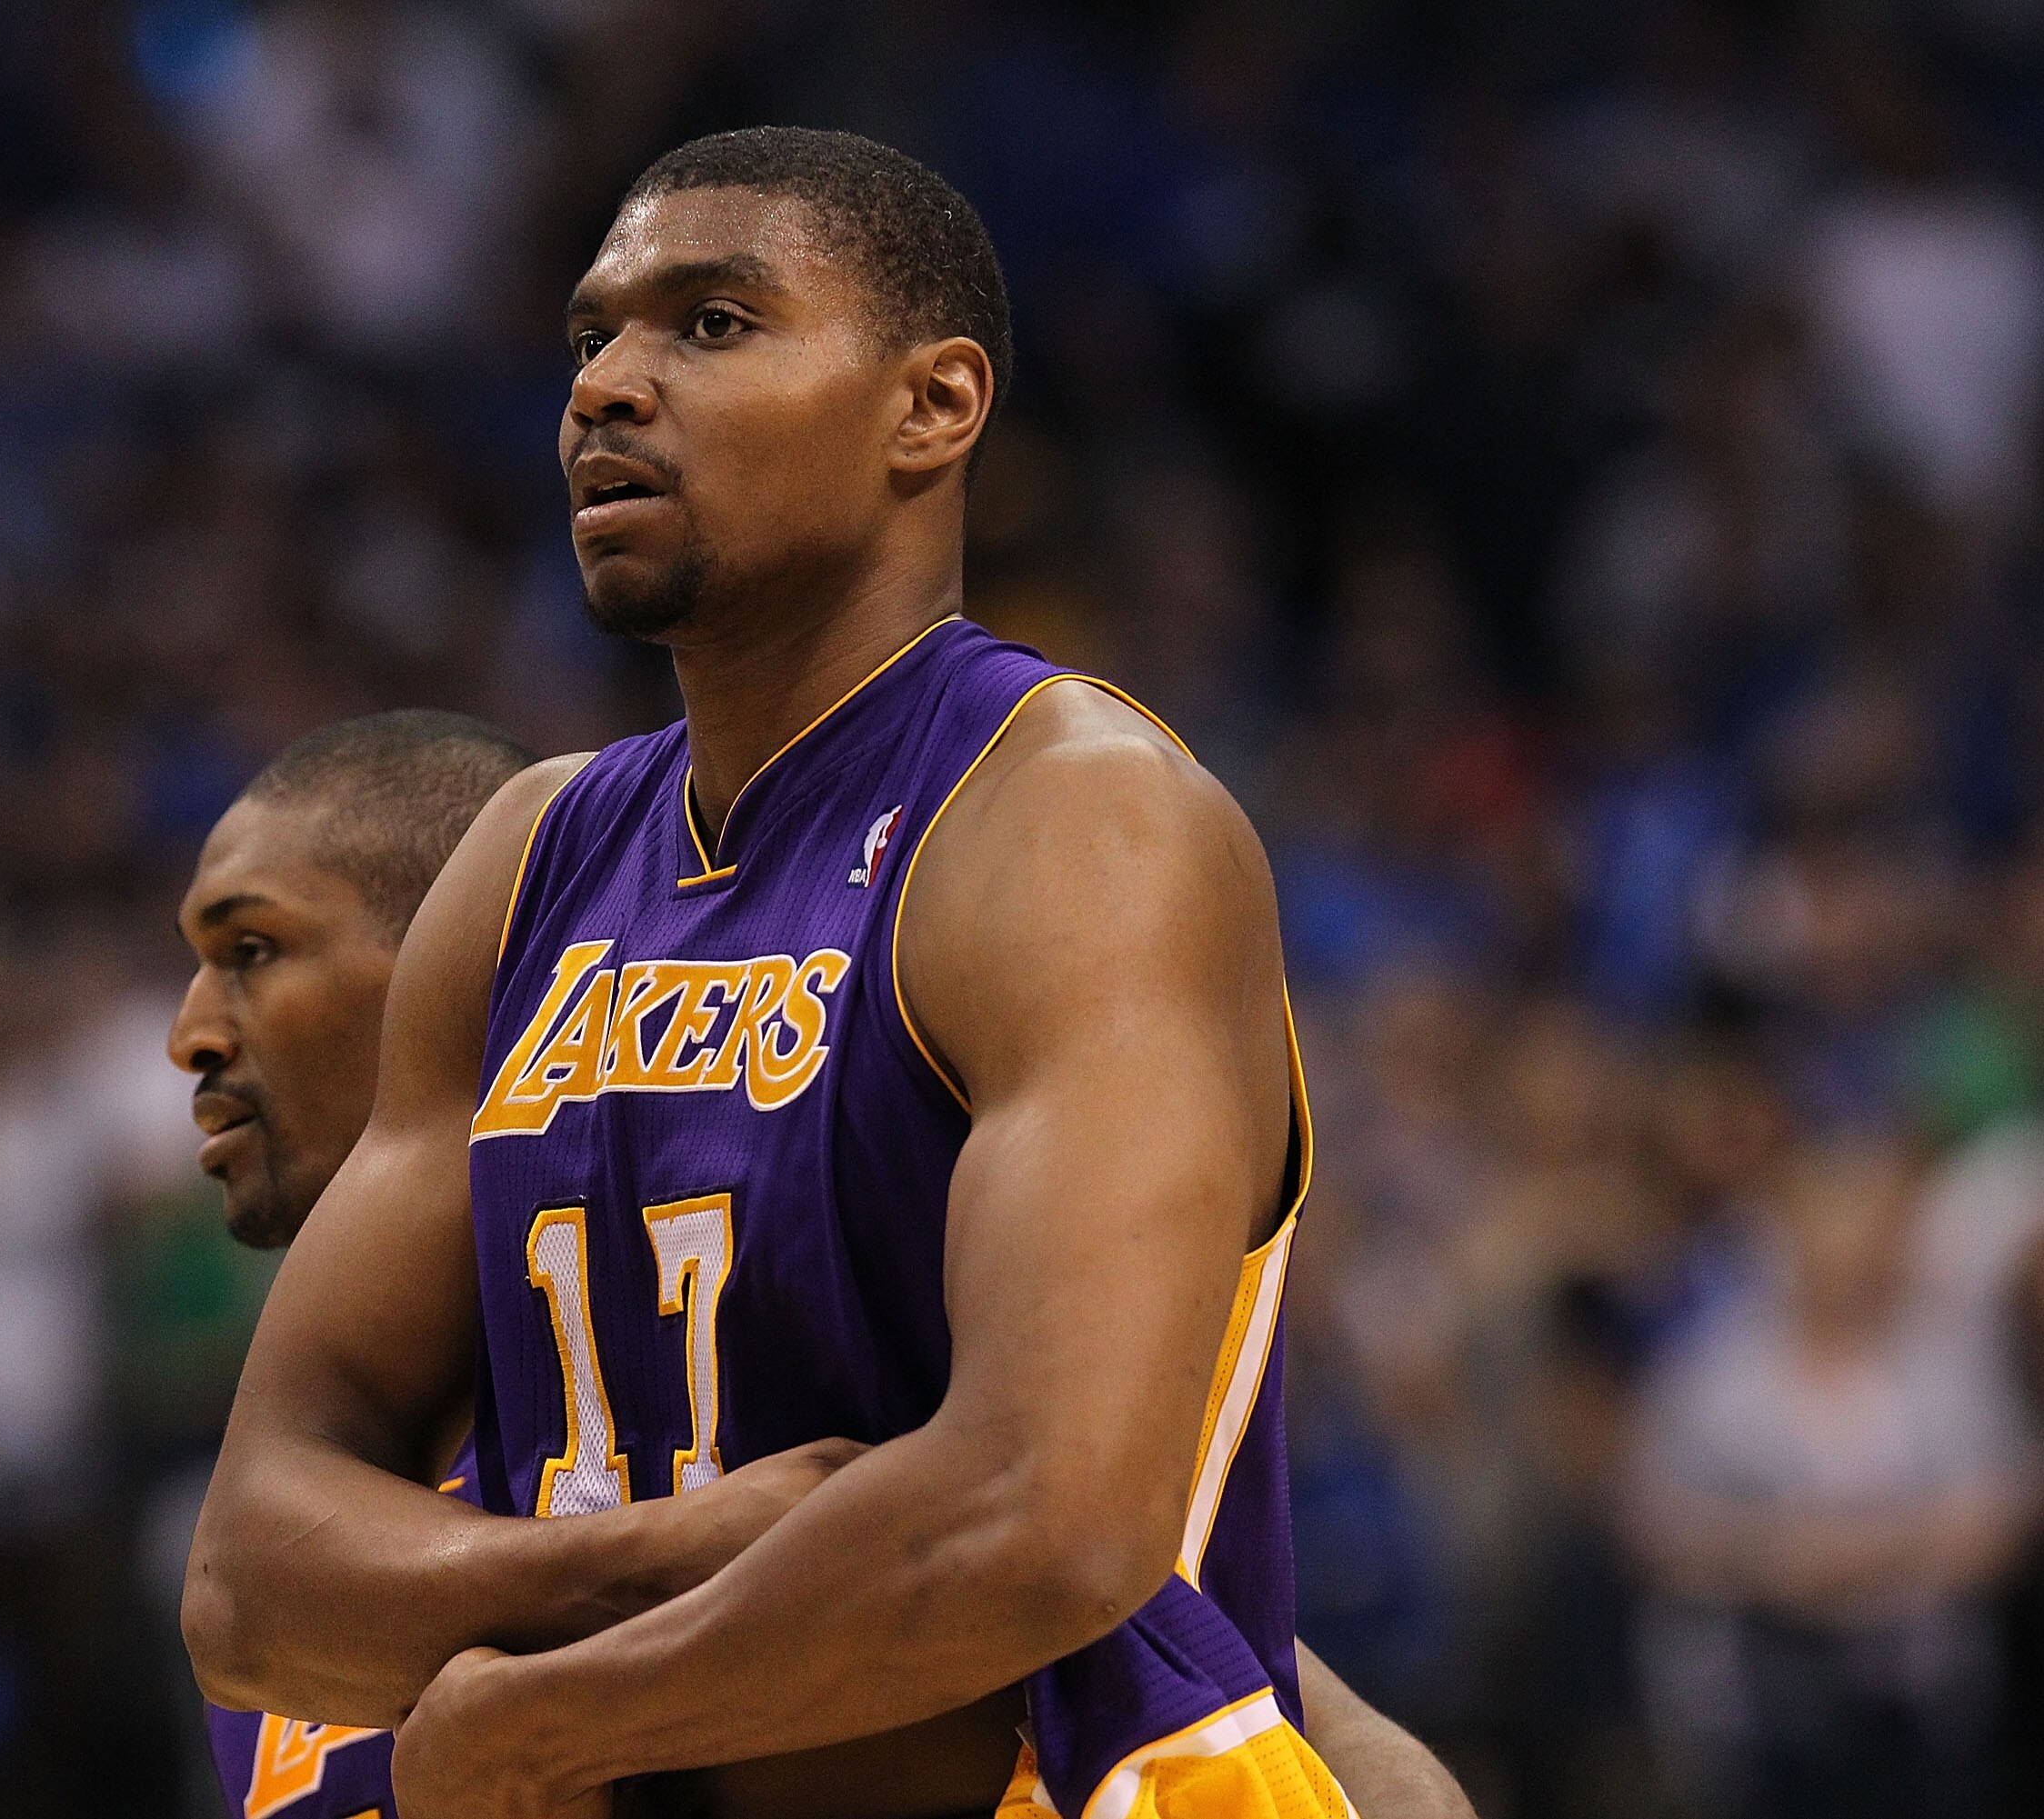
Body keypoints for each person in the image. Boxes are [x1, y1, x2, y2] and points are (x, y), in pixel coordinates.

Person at [190, 120, 1337, 1819]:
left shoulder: (1071, 821)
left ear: (932, 408)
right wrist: (670, 1563)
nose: (607, 388)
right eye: (593, 337)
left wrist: (546, 1719)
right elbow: (250, 1581)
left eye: (711, 324)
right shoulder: (527, 862)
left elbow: (1045, 1519)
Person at [174, 709, 1472, 1819]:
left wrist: (557, 1693)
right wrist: (669, 1551)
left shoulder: (763, 1416)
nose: (192, 1032)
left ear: (475, 972)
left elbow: (1301, 1719)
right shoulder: (318, 1528)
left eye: (254, 951)